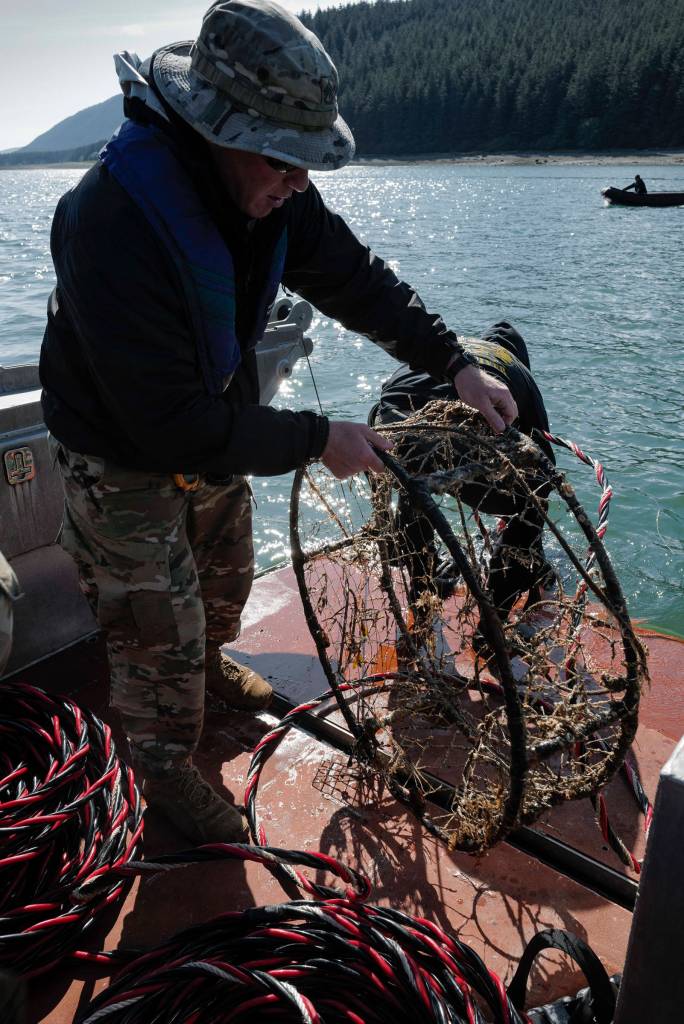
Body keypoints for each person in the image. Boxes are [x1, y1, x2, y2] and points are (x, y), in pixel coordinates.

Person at [39, 0, 517, 844]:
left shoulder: (273, 188)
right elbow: (161, 426)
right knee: (157, 626)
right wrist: (313, 438)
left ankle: (211, 663)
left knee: (221, 577)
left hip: (209, 421)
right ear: (216, 129)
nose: (300, 181)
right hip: (119, 452)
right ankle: (163, 774)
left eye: (308, 165)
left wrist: (455, 362)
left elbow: (358, 280)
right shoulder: (109, 220)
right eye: (286, 163)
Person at [371, 322, 557, 646]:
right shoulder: (518, 373)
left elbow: (379, 410)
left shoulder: (453, 349)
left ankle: (423, 591)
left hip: (392, 429)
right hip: (455, 440)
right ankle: (494, 620)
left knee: (412, 486)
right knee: (534, 495)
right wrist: (529, 551)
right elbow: (542, 464)